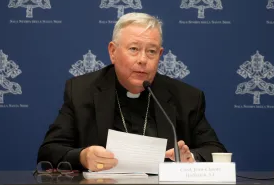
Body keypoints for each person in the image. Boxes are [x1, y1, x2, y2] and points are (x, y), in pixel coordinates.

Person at [37, 12, 227, 172]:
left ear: (160, 55)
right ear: (113, 51)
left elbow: (215, 150)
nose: (143, 59)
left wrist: (190, 158)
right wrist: (82, 156)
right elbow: (48, 151)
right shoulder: (81, 91)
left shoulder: (186, 98)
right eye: (134, 49)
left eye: (151, 52)